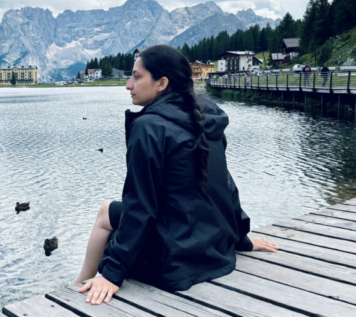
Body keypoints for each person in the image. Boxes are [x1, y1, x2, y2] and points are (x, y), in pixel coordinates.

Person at [75, 45, 279, 306]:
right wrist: (241, 238)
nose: (128, 85)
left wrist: (112, 273)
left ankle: (80, 283)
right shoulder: (204, 115)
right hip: (215, 252)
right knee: (111, 211)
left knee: (106, 214)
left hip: (172, 262)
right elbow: (224, 185)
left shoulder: (148, 127)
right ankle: (81, 280)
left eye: (137, 77)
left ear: (161, 83)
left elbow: (140, 205)